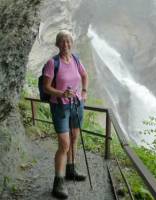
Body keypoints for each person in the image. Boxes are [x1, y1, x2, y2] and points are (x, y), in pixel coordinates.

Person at [43, 30, 88, 199]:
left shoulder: (76, 60)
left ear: (72, 43)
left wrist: (84, 92)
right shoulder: (52, 63)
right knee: (64, 144)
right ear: (57, 44)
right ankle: (58, 181)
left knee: (75, 138)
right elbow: (47, 87)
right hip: (60, 107)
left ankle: (71, 169)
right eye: (62, 41)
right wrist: (62, 94)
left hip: (76, 105)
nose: (65, 44)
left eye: (68, 41)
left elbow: (84, 75)